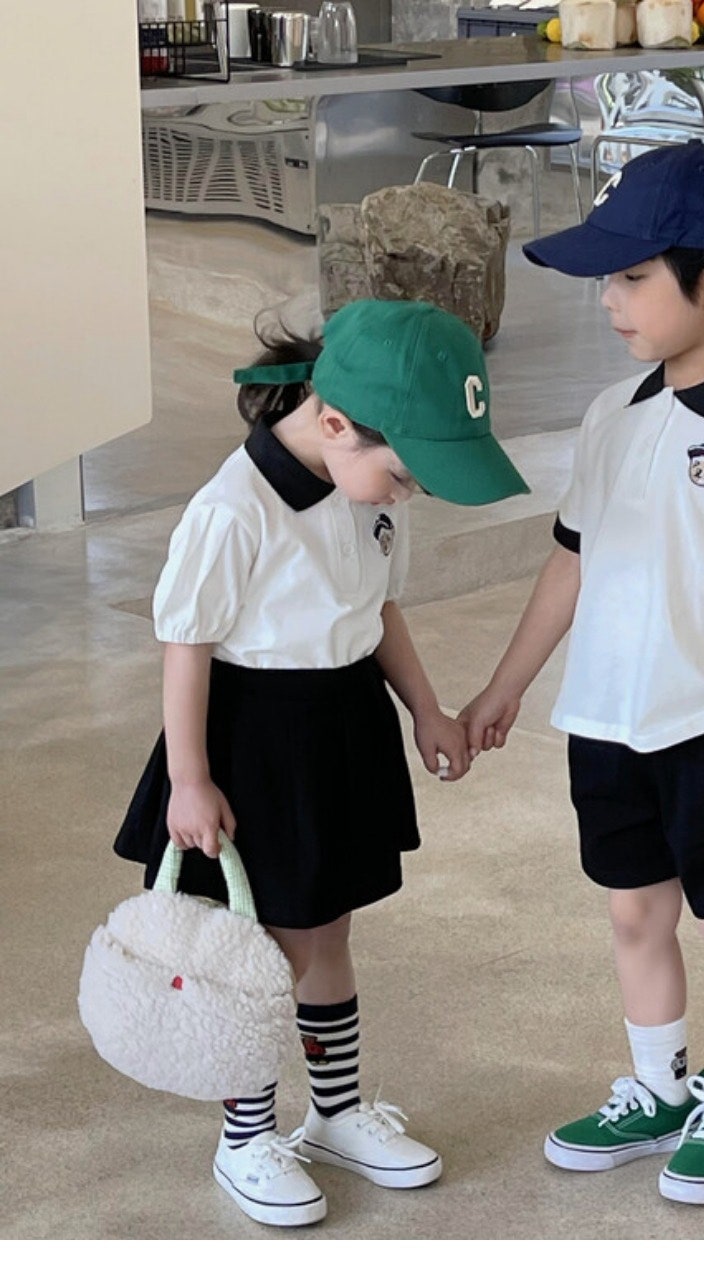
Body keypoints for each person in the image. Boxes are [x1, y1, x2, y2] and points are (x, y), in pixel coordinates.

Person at [459, 142, 704, 1206]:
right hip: (605, 723)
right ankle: (660, 1086)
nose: (608, 300)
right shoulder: (612, 416)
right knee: (634, 914)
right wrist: (505, 687)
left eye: (631, 277)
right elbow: (571, 561)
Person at [113, 299, 529, 1228]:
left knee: (327, 932)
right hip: (256, 739)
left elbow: (379, 610)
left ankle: (333, 1114)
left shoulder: (364, 489)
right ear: (336, 422)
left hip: (341, 723)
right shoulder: (233, 508)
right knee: (260, 950)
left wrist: (425, 709)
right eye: (403, 473)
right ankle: (245, 1136)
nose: (405, 494)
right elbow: (186, 643)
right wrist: (189, 778)